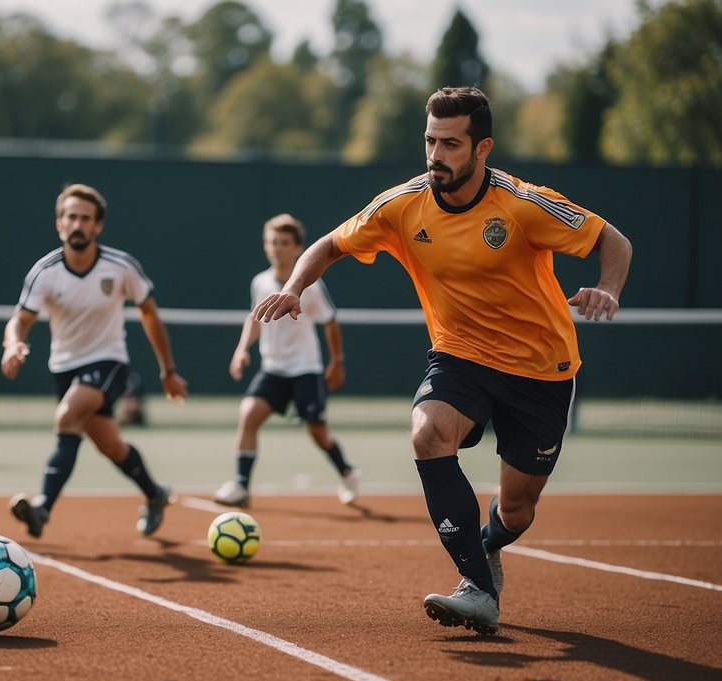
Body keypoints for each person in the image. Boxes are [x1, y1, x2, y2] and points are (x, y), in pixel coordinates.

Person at [252, 86, 632, 635]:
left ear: (482, 150)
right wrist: (293, 287)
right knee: (428, 434)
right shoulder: (403, 204)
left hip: (540, 368)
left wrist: (609, 290)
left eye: (451, 144)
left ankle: (488, 544)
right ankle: (477, 588)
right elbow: (330, 245)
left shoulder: (523, 204)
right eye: (430, 141)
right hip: (461, 355)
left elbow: (612, 240)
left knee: (519, 509)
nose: (435, 155)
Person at [2, 183, 188, 539]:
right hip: (64, 368)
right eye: (71, 217)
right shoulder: (45, 271)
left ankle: (43, 508)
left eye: (85, 218)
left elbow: (149, 313)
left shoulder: (120, 266)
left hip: (109, 362)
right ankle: (155, 494)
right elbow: (20, 320)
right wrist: (12, 345)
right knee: (111, 446)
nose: (78, 224)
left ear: (97, 226)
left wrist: (169, 371)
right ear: (60, 223)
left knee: (67, 416)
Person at [214, 213, 360, 509]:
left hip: (306, 370)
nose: (276, 248)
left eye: (283, 243)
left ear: (298, 248)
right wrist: (242, 349)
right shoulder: (261, 282)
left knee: (318, 434)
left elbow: (330, 322)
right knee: (249, 414)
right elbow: (254, 319)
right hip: (274, 370)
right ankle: (241, 485)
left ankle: (347, 472)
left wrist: (337, 361)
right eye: (271, 242)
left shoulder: (312, 286)